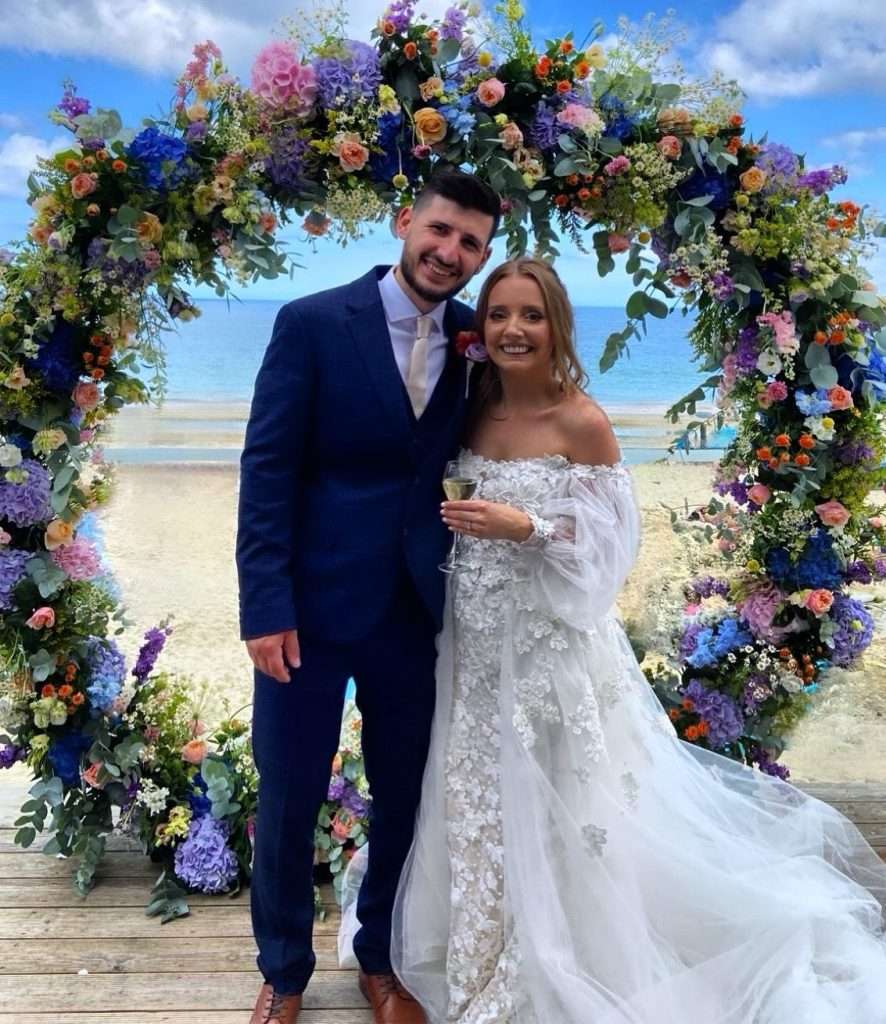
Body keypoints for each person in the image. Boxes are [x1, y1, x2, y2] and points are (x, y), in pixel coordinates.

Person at [385, 257, 886, 1023]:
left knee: (566, 797)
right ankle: (482, 943)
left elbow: (608, 557)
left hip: (551, 651)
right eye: (498, 315)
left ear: (557, 327)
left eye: (531, 315)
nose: (513, 330)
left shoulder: (582, 422)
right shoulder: (469, 404)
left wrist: (530, 527)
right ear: (479, 329)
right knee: (478, 796)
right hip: (474, 650)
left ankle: (569, 950)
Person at [236, 168, 499, 1024]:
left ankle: (379, 957)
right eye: (441, 231)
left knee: (406, 790)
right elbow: (267, 471)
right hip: (306, 614)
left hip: (416, 614)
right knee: (288, 795)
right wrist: (264, 608)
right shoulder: (311, 323)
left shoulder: (476, 340)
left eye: (471, 244)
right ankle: (283, 971)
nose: (450, 251)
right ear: (403, 223)